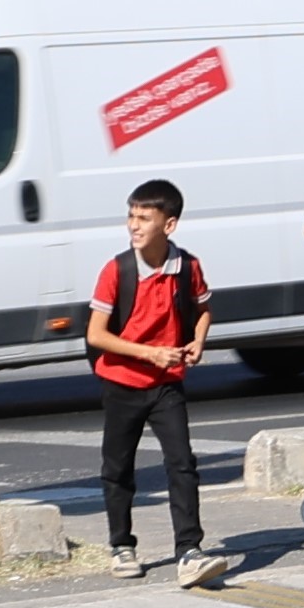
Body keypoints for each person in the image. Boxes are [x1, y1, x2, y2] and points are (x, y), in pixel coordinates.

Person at [88, 178, 230, 586]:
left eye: (144, 218)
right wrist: (149, 352)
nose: (133, 225)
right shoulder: (117, 270)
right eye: (131, 216)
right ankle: (121, 545)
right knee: (118, 468)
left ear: (169, 225)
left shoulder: (188, 267)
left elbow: (204, 310)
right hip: (122, 382)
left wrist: (198, 341)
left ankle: (189, 550)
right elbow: (96, 335)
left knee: (182, 464)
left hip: (167, 384)